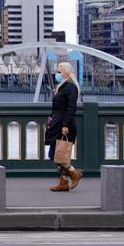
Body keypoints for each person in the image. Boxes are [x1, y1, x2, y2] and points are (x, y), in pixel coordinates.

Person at [45, 62, 83, 191]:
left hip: (64, 125)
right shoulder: (63, 86)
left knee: (54, 154)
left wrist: (65, 125)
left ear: (66, 72)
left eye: (59, 72)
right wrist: (51, 118)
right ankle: (64, 182)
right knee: (60, 155)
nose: (58, 74)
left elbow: (71, 108)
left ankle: (73, 173)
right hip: (58, 124)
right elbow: (58, 107)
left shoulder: (70, 87)